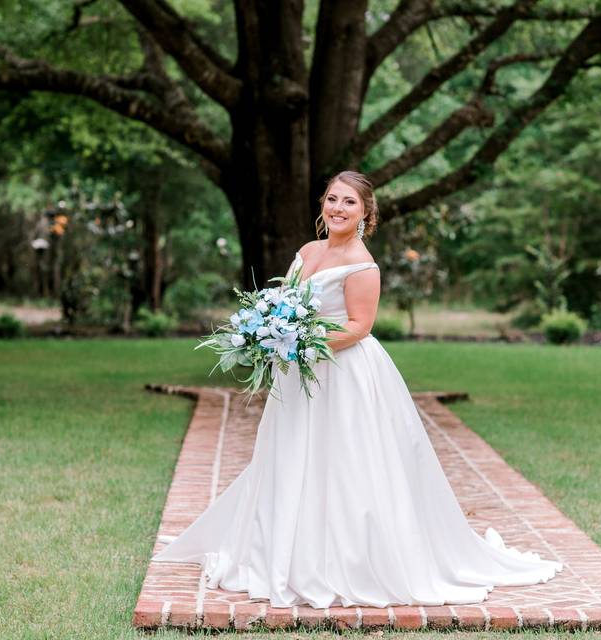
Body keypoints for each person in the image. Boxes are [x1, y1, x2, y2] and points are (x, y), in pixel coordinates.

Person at [152, 170, 563, 608]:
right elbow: (287, 303)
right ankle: (279, 548)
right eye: (332, 199)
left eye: (349, 202)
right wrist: (271, 333)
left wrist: (298, 341)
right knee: (291, 455)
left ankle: (343, 560)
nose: (338, 208)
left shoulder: (364, 266)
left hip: (342, 374)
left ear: (366, 212)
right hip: (298, 373)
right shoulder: (307, 251)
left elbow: (358, 327)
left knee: (344, 462)